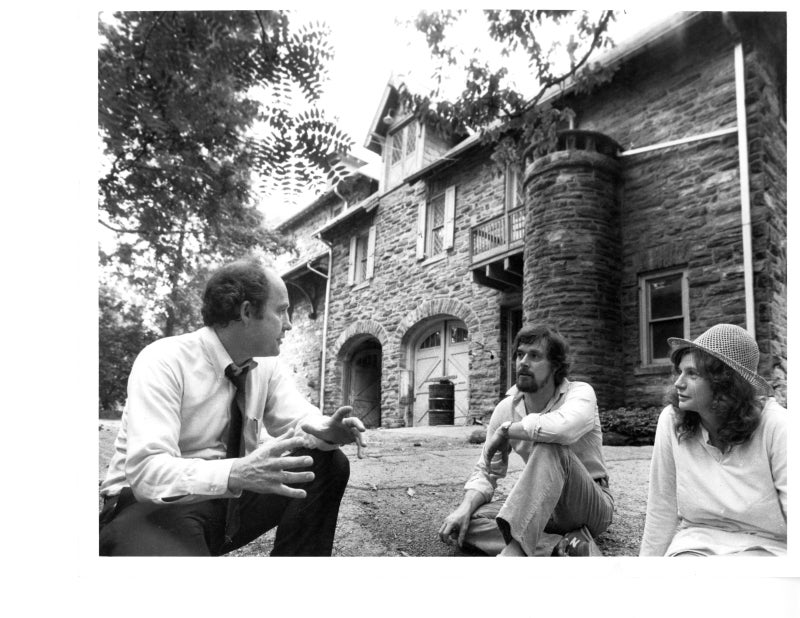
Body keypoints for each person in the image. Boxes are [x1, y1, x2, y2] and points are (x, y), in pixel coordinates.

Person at [99, 257, 367, 556]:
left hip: (224, 502)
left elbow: (299, 419)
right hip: (147, 507)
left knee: (327, 464)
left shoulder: (265, 366)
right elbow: (147, 475)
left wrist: (328, 430)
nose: (290, 324)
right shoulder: (164, 360)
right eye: (281, 311)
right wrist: (236, 472)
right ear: (247, 312)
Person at [438, 324, 613, 556]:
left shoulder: (580, 393)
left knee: (550, 447)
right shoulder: (506, 408)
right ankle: (563, 546)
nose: (523, 362)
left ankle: (516, 552)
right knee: (466, 525)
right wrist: (465, 508)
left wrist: (509, 430)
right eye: (520, 355)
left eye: (535, 356)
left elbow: (563, 429)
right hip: (538, 506)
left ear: (555, 366)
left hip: (586, 503)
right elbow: (486, 471)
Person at [639, 323, 786, 557]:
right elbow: (662, 506)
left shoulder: (778, 425)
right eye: (680, 371)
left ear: (725, 383)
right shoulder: (671, 419)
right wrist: (644, 574)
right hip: (696, 543)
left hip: (766, 547)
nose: (679, 382)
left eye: (692, 374)